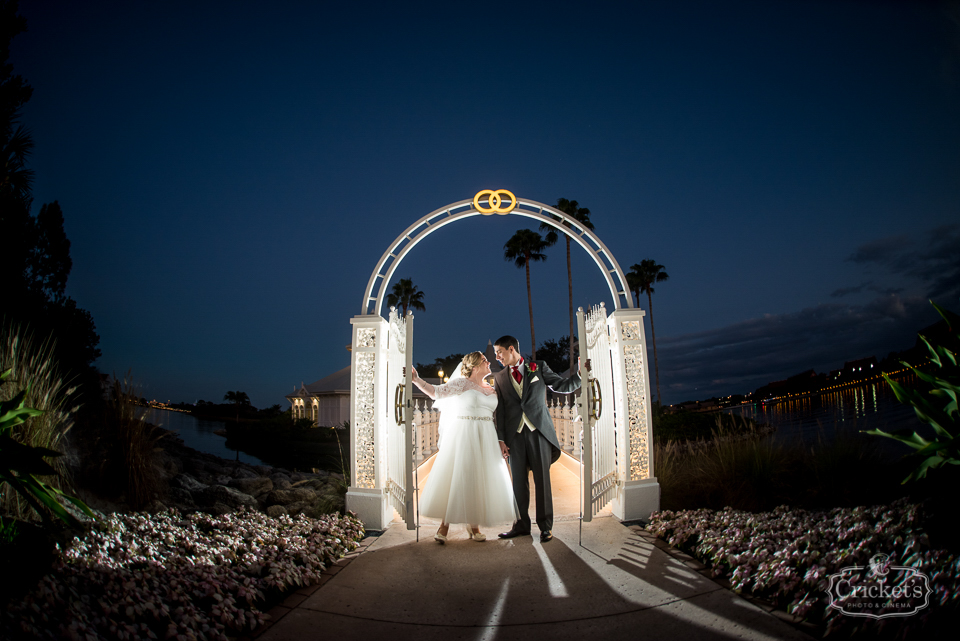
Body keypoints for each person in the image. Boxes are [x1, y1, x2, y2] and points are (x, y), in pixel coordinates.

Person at [411, 352, 519, 543]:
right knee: (460, 475)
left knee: (480, 478)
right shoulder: (461, 384)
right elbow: (436, 392)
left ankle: (474, 525)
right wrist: (417, 380)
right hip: (464, 434)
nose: (489, 363)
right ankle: (444, 526)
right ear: (475, 366)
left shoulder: (492, 389)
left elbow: (499, 417)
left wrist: (501, 440)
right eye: (485, 361)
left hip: (486, 435)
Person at [493, 335, 584, 543]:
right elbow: (501, 412)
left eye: (500, 352)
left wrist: (579, 375)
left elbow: (561, 386)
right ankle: (521, 525)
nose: (497, 357)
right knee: (518, 484)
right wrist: (501, 440)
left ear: (511, 349)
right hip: (514, 437)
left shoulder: (538, 367)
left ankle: (545, 527)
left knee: (542, 481)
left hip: (539, 433)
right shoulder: (499, 378)